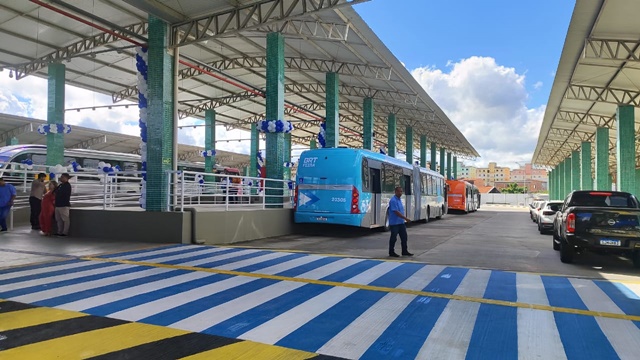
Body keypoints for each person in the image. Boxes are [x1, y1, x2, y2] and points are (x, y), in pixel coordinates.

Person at [388, 186, 413, 257]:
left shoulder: (399, 200)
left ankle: (404, 251)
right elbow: (396, 212)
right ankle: (391, 252)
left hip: (401, 222)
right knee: (393, 238)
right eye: (399, 191)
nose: (400, 193)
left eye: (401, 191)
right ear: (395, 192)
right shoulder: (393, 200)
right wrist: (406, 218)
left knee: (404, 237)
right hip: (395, 223)